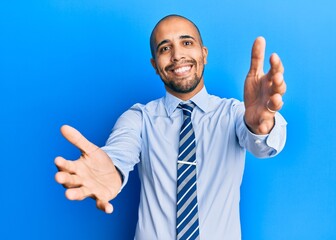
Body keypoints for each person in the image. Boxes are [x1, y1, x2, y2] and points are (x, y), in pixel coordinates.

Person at [55, 14, 287, 239]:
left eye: (187, 42)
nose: (177, 55)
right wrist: (112, 171)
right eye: (165, 48)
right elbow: (120, 152)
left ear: (203, 54)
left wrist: (261, 125)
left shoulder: (234, 113)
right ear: (155, 65)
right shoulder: (139, 118)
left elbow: (263, 147)